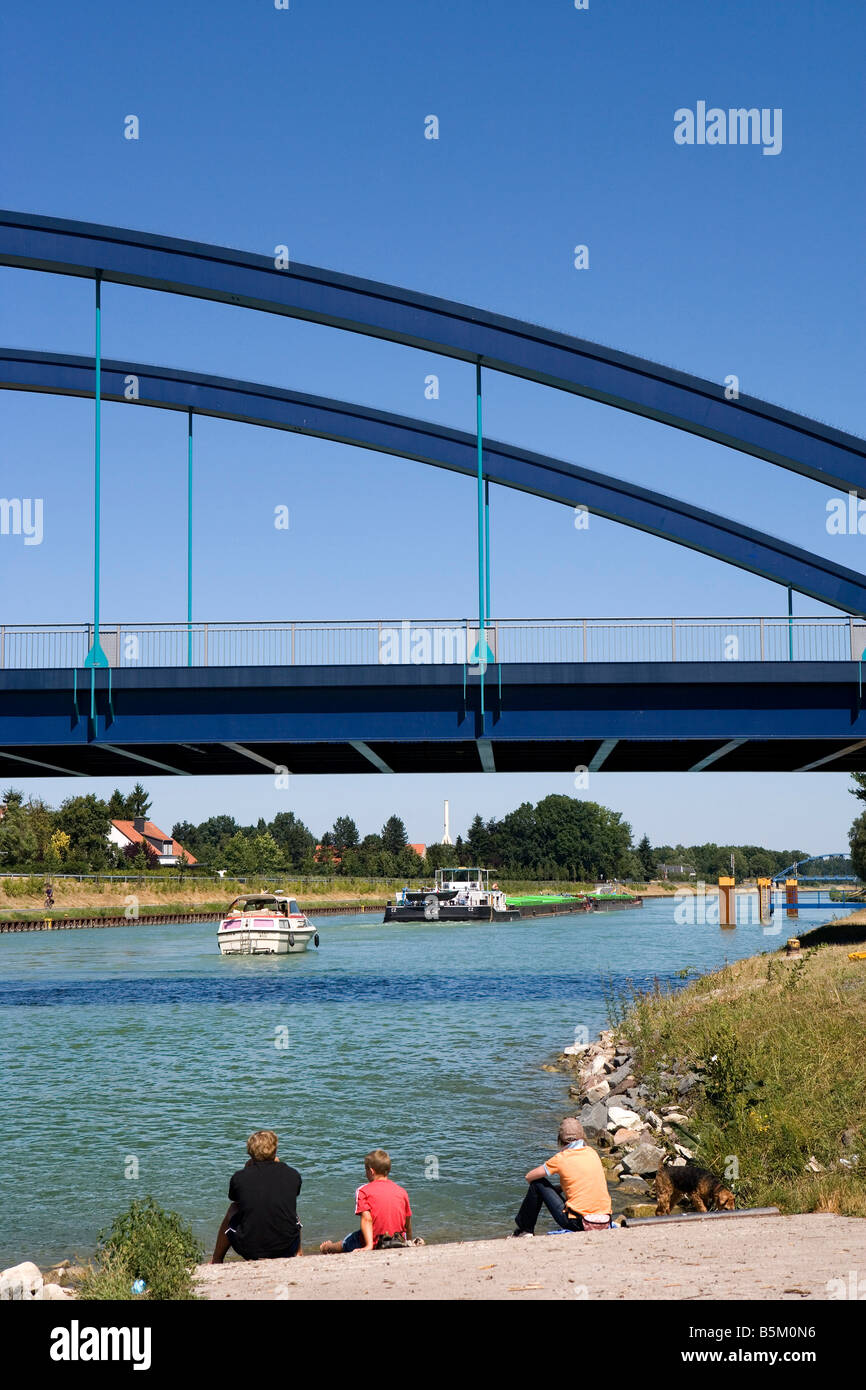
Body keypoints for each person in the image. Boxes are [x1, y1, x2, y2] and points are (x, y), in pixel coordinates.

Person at [211, 1130, 303, 1262]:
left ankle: (217, 1259)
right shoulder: (292, 1174)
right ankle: (298, 1253)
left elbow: (237, 1199)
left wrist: (246, 1169)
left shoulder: (239, 1178)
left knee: (233, 1208)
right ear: (275, 1150)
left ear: (250, 1153)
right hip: (287, 1247)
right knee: (290, 1210)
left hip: (249, 1249)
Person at [511, 1117, 612, 1236]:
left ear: (560, 1139)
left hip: (579, 1223)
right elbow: (582, 1183)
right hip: (606, 1221)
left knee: (537, 1184)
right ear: (582, 1136)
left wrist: (548, 1190)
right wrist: (560, 1188)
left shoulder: (561, 1158)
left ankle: (525, 1229)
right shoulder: (592, 1153)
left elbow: (529, 1176)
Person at [319, 1148, 420, 1253]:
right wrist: (408, 1241)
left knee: (348, 1241)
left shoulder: (363, 1191)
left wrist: (369, 1246)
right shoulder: (402, 1191)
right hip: (397, 1240)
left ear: (371, 1171)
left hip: (376, 1242)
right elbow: (407, 1223)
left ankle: (327, 1247)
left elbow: (367, 1219)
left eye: (366, 1170)